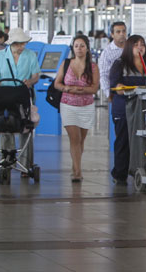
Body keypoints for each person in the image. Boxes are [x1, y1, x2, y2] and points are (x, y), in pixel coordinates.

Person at [108, 35, 146, 185]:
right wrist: (122, 88)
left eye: (142, 45)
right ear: (128, 47)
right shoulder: (120, 65)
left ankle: (144, 169)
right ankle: (120, 174)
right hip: (124, 109)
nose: (140, 47)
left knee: (145, 141)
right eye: (136, 45)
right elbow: (115, 86)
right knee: (123, 141)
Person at [0, 28, 41, 170]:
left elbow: (36, 75)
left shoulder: (30, 56)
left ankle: (25, 163)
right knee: (6, 126)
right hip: (4, 97)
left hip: (22, 97)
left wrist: (30, 81)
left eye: (23, 43)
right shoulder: (0, 56)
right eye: (19, 44)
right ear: (11, 43)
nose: (22, 47)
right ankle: (7, 160)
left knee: (25, 127)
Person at [54, 35, 100, 183]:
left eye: (82, 46)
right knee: (75, 138)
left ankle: (75, 166)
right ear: (72, 48)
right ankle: (78, 172)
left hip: (86, 106)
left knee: (81, 140)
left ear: (87, 48)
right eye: (76, 46)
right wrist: (67, 88)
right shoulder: (66, 64)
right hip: (68, 105)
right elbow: (57, 84)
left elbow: (94, 88)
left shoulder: (93, 67)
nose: (79, 49)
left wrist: (83, 90)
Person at [98, 22, 127, 97]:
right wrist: (109, 94)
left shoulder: (132, 48)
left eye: (124, 31)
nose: (121, 34)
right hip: (116, 92)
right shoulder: (107, 52)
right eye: (118, 32)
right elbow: (104, 75)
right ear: (112, 34)